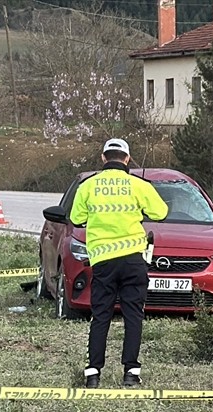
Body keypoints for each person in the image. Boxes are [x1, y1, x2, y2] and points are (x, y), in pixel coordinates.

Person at [69, 138, 168, 389]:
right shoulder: (138, 184)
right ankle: (131, 373)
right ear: (127, 158)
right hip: (133, 259)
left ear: (103, 158)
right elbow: (161, 212)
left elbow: (76, 218)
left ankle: (93, 373)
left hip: (103, 260)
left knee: (100, 315)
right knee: (133, 315)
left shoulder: (88, 185)